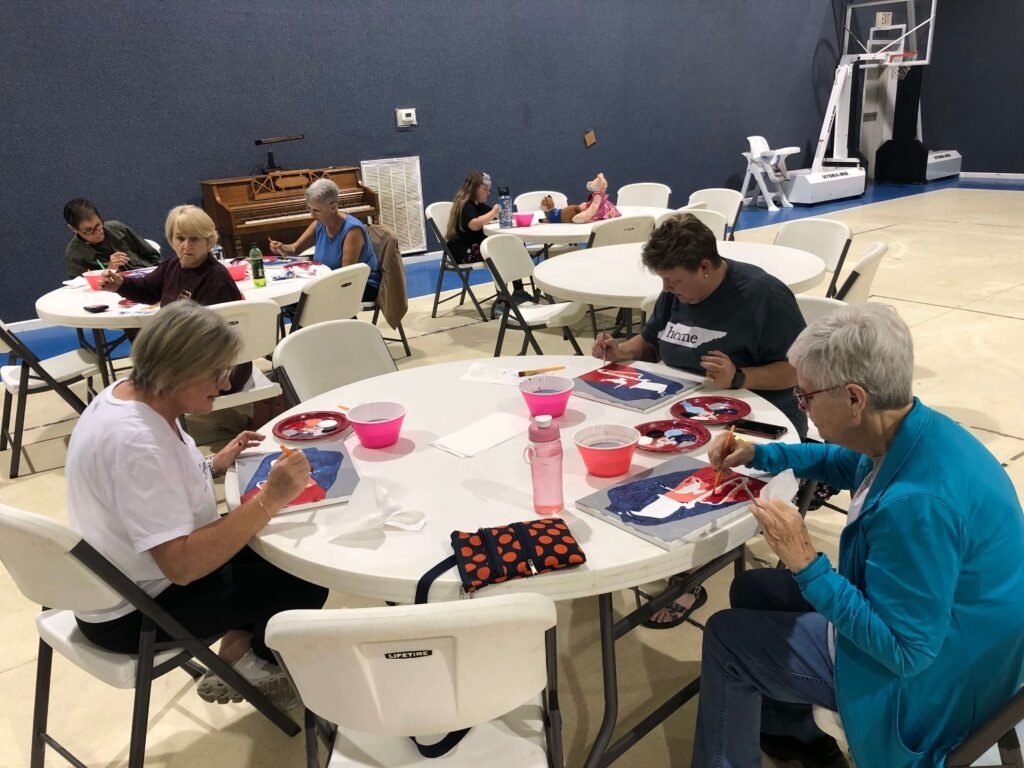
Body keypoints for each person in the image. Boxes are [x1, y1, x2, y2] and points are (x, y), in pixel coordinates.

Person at [693, 303, 1024, 768]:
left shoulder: (916, 506)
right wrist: (762, 454)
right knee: (753, 588)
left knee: (726, 637)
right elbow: (849, 462)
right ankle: (797, 736)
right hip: (960, 637)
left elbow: (906, 653)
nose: (804, 408)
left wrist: (806, 562)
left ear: (854, 398)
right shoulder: (914, 430)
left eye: (806, 397)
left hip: (936, 685)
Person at [66, 301, 329, 708]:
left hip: (125, 583)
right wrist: (271, 497)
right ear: (178, 369)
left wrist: (212, 464)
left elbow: (159, 485)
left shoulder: (131, 395)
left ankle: (238, 652)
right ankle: (256, 664)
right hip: (135, 614)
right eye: (217, 373)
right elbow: (183, 566)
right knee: (304, 571)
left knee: (276, 540)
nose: (225, 385)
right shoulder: (137, 443)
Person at [592, 213, 806, 628]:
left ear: (705, 267)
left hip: (761, 416)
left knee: (691, 481)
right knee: (625, 454)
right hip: (688, 409)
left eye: (673, 281)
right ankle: (648, 543)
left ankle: (687, 572)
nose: (666, 289)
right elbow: (652, 342)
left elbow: (799, 370)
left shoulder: (763, 295)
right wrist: (623, 351)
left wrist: (740, 377)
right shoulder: (676, 293)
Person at [99, 204, 250, 393]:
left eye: (194, 239)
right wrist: (120, 284)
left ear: (208, 241)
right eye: (180, 238)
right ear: (171, 239)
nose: (186, 246)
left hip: (218, 369)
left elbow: (215, 341)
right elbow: (148, 289)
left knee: (139, 386)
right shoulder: (172, 265)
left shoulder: (216, 279)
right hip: (191, 360)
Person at [268, 178, 381, 303]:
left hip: (360, 284)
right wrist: (281, 247)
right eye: (309, 209)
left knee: (302, 301)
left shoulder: (352, 231)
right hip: (331, 280)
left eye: (316, 210)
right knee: (293, 296)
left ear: (333, 207)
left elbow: (346, 276)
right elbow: (295, 249)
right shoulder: (319, 224)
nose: (312, 215)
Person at [444, 171, 527, 299]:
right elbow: (475, 224)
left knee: (511, 247)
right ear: (474, 188)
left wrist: (501, 212)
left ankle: (518, 292)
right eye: (485, 189)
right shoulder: (465, 205)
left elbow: (492, 216)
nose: (488, 193)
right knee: (499, 253)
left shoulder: (479, 206)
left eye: (489, 190)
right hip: (462, 252)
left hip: (474, 247)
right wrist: (493, 212)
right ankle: (503, 299)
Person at [63, 198, 162, 279]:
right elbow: (81, 288)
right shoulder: (75, 255)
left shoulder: (119, 229)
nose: (97, 232)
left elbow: (153, 256)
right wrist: (110, 270)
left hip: (149, 280)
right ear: (74, 229)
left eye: (98, 225)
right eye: (89, 230)